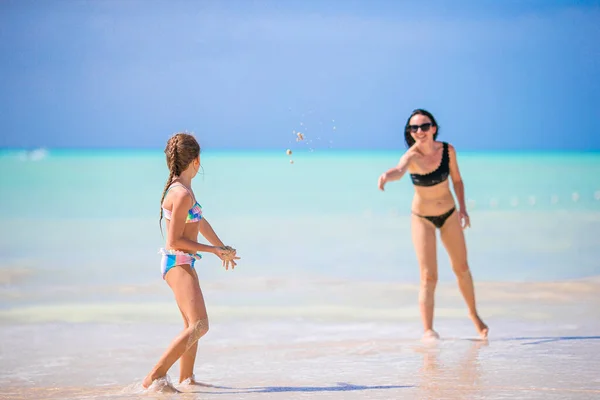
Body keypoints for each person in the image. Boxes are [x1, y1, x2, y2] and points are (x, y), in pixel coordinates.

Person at [377, 109, 488, 341]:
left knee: (462, 268)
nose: (419, 131)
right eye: (414, 128)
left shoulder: (447, 151)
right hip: (422, 218)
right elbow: (399, 170)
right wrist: (386, 175)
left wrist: (463, 209)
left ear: (434, 128)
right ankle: (428, 330)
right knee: (429, 276)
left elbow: (457, 180)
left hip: (449, 214)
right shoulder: (412, 156)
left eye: (424, 126)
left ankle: (474, 315)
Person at [143, 132, 240, 390]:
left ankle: (187, 381)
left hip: (184, 263)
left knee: (191, 326)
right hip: (177, 262)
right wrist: (210, 250)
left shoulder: (184, 189)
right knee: (200, 325)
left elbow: (199, 221)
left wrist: (220, 247)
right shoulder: (181, 194)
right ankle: (154, 376)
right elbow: (174, 240)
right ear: (196, 161)